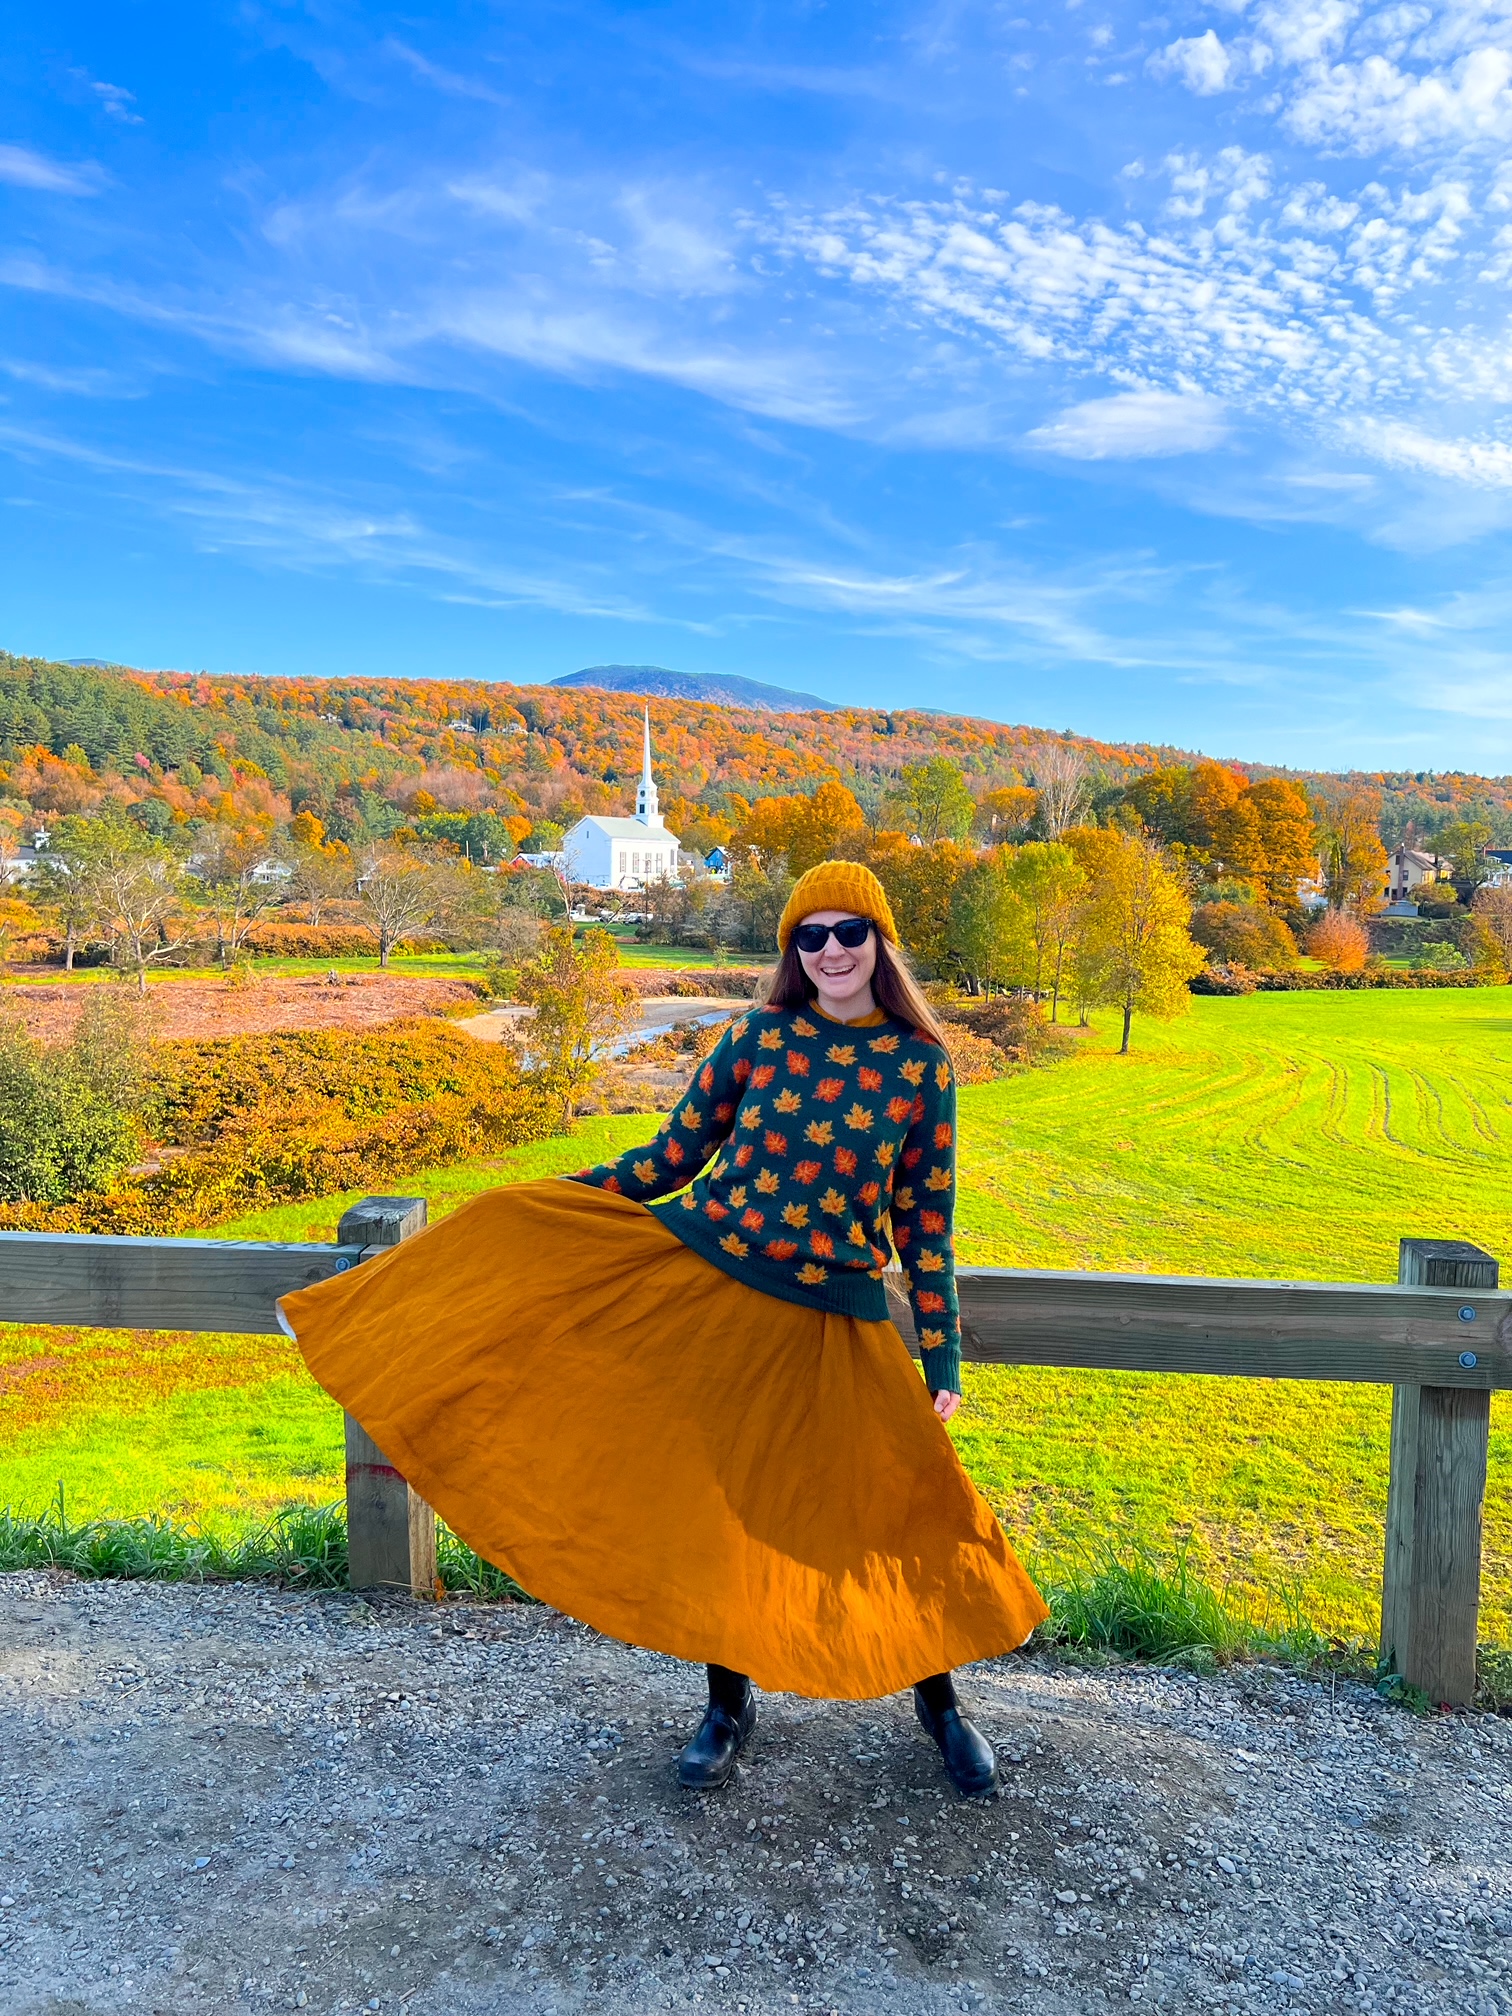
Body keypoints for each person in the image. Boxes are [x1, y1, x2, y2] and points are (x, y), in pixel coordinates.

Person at [278, 860, 1047, 1798]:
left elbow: (928, 1222)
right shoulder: (753, 1039)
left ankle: (941, 1704)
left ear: (881, 945)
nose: (833, 951)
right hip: (713, 1308)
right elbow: (670, 1160)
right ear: (791, 950)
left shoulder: (920, 1066)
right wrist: (547, 1203)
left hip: (833, 1320)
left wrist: (943, 1351)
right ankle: (728, 1707)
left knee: (894, 1506)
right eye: (813, 935)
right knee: (714, 1514)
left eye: (852, 933)